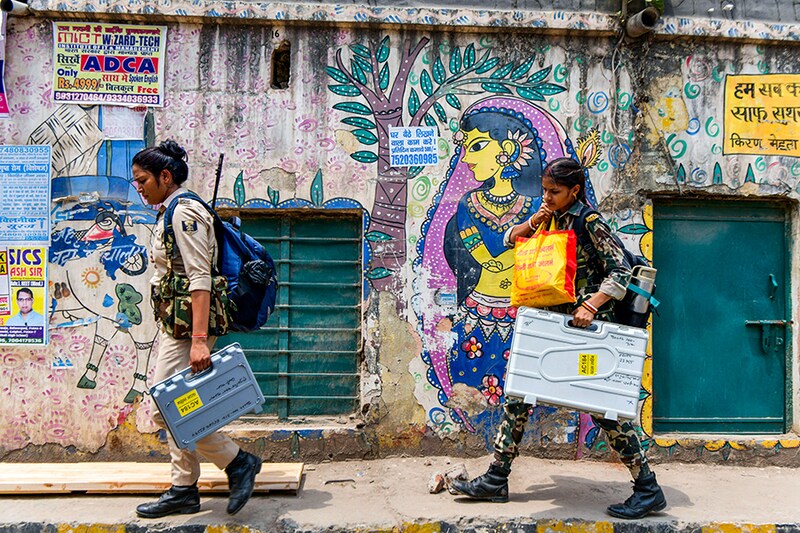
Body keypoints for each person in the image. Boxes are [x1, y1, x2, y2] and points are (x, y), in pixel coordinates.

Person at [449, 157, 667, 520]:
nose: (546, 196)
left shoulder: (589, 222)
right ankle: (496, 479)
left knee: (605, 409)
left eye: (554, 191)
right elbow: (510, 240)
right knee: (519, 396)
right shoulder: (549, 216)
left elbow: (622, 270)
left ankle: (648, 488)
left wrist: (593, 305)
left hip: (588, 329)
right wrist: (536, 218)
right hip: (553, 326)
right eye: (545, 190)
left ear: (575, 191)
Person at [132, 140, 262, 518]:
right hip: (178, 326)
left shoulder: (183, 213)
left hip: (189, 331)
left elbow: (200, 279)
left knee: (165, 408)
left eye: (142, 180)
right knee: (181, 405)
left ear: (165, 176)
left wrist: (200, 341)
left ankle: (237, 462)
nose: (138, 187)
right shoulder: (171, 209)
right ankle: (184, 488)